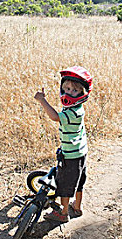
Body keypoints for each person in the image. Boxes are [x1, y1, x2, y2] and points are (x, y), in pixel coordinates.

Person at [34, 66, 92, 223]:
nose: (68, 93)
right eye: (66, 88)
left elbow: (54, 117)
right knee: (79, 181)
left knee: (65, 186)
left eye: (74, 90)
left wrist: (42, 100)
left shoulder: (71, 112)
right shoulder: (77, 107)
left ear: (82, 93)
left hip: (71, 155)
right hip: (80, 152)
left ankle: (63, 213)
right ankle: (77, 207)